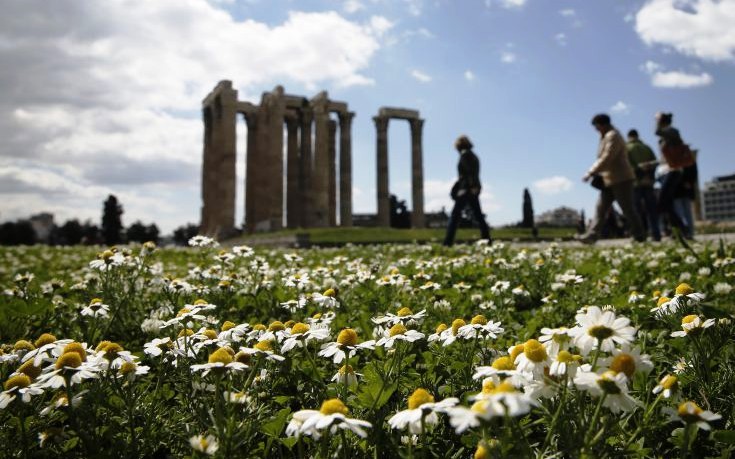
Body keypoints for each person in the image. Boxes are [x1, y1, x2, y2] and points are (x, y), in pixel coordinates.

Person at [579, 114, 645, 243]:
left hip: (621, 178)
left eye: (596, 126)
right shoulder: (607, 136)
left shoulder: (613, 135)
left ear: (601, 125)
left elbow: (608, 156)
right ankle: (592, 235)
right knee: (600, 208)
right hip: (609, 179)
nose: (596, 130)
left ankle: (639, 235)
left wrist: (591, 172)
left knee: (627, 208)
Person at [443, 135, 491, 246]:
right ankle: (487, 240)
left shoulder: (465, 155)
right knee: (478, 216)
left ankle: (447, 243)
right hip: (472, 188)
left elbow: (468, 173)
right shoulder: (473, 155)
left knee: (455, 216)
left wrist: (468, 186)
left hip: (466, 189)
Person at [654, 112, 692, 239]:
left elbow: (657, 131)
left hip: (673, 171)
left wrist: (658, 118)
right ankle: (678, 232)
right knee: (667, 204)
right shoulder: (666, 138)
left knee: (662, 202)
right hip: (664, 172)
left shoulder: (672, 131)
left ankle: (682, 229)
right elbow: (664, 157)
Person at [626, 129, 661, 241]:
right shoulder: (647, 147)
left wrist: (639, 169)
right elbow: (656, 162)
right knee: (652, 209)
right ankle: (656, 234)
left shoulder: (627, 148)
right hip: (648, 181)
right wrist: (649, 174)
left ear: (629, 137)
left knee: (636, 210)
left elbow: (626, 165)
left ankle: (640, 234)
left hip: (635, 183)